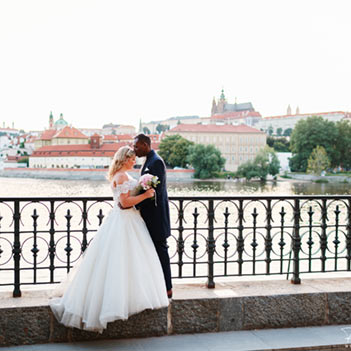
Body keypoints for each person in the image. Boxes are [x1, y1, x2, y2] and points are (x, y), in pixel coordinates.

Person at [49, 146, 169, 333]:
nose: (134, 162)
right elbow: (124, 203)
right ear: (124, 159)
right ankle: (117, 301)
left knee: (130, 260)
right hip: (124, 220)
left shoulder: (122, 175)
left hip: (128, 220)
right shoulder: (121, 177)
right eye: (131, 159)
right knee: (120, 261)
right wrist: (145, 194)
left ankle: (129, 297)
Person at [132, 133, 172, 298]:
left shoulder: (155, 162)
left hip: (156, 217)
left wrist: (134, 203)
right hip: (150, 216)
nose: (134, 150)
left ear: (145, 145)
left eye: (136, 146)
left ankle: (167, 288)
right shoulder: (150, 161)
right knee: (152, 251)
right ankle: (157, 286)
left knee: (161, 250)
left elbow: (152, 191)